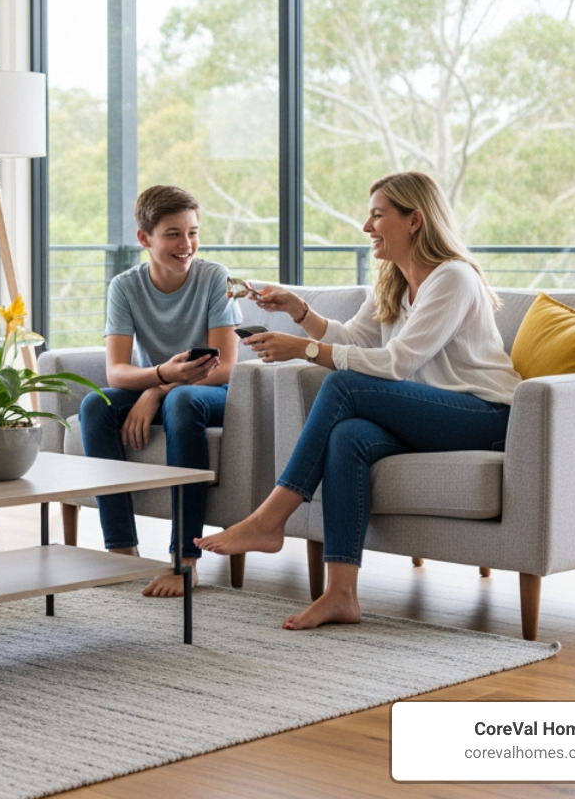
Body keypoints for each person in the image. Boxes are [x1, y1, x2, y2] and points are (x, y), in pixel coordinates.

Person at [196, 171, 519, 630]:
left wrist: (305, 351)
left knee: (342, 384)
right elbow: (351, 338)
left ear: (414, 221)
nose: (367, 227)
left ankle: (271, 518)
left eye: (377, 215)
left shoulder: (453, 279)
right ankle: (341, 594)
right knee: (348, 436)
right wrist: (298, 312)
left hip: (484, 415)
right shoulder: (392, 279)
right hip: (428, 410)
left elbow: (395, 363)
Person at [79, 185, 240, 598]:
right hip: (167, 384)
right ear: (144, 238)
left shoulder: (214, 278)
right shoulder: (125, 286)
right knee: (95, 405)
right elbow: (116, 372)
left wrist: (157, 390)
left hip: (210, 394)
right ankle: (122, 552)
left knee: (182, 401)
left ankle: (185, 561)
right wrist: (158, 380)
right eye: (173, 234)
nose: (186, 245)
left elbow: (223, 368)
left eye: (193, 232)